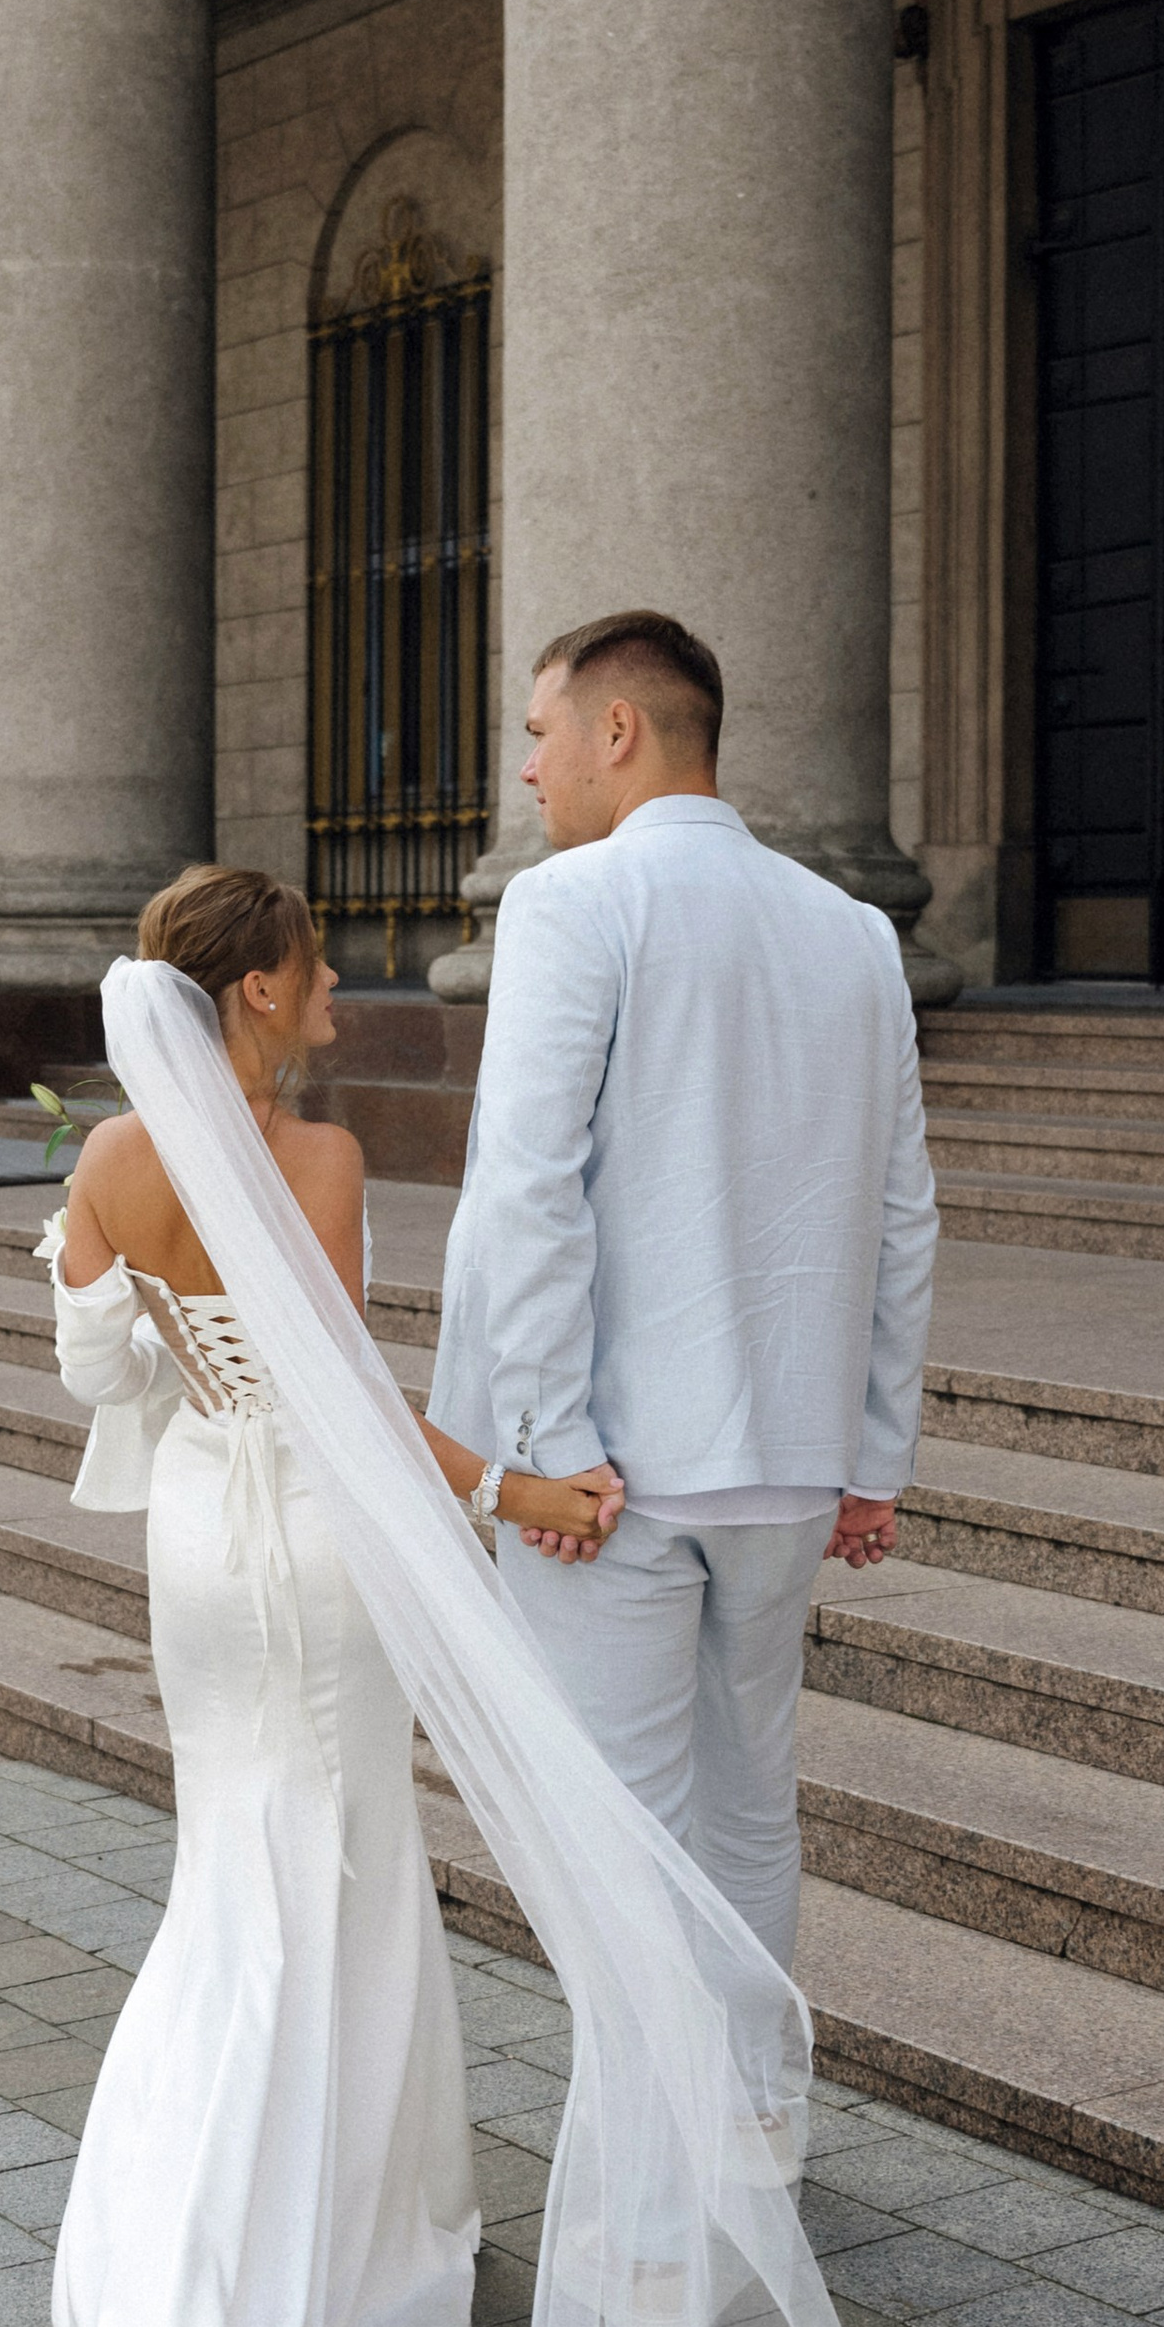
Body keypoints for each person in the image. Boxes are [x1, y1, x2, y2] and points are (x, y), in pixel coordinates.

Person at [41, 865, 848, 2327]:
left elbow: (107, 1380)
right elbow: (343, 1406)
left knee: (231, 1871)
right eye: (316, 967)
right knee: (330, 1868)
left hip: (194, 1546)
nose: (337, 989)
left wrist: (138, 1300)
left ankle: (187, 2253)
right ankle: (322, 2270)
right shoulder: (314, 1166)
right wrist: (517, 1487)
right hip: (319, 1551)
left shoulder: (107, 1161)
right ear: (254, 991)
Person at [433, 609, 940, 1976]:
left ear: (620, 730)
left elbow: (530, 1187)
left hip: (612, 1476)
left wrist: (543, 1447)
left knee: (618, 1844)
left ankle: (664, 2190)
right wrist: (874, 1453)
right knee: (749, 1814)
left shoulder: (572, 902)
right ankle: (755, 2139)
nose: (529, 773)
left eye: (539, 736)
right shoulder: (853, 932)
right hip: (786, 1461)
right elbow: (902, 1212)